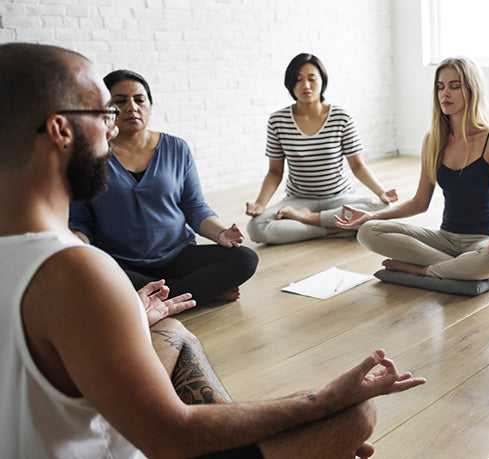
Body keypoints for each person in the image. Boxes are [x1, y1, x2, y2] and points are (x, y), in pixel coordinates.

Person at [0, 42, 425, 458]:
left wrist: (132, 312)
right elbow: (171, 438)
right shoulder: (80, 271)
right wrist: (326, 399)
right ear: (59, 130)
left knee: (176, 331)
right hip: (157, 440)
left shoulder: (35, 258)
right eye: (103, 112)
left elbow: (194, 207)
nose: (114, 125)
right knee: (354, 415)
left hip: (143, 304)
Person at [70, 69, 257, 306]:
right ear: (104, 109)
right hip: (120, 261)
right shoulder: (88, 156)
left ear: (150, 106)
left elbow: (194, 206)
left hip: (176, 254)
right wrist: (78, 247)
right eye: (119, 101)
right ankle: (192, 292)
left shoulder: (177, 148)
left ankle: (152, 299)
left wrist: (221, 233)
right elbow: (79, 220)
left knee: (245, 259)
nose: (131, 107)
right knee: (92, 275)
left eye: (139, 100)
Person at [336, 57, 489, 281]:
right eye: (440, 87)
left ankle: (422, 270)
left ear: (472, 89)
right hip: (445, 240)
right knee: (368, 231)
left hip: (482, 240)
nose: (444, 94)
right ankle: (457, 268)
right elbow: (420, 202)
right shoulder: (433, 140)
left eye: (454, 86)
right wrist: (372, 215)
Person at [246, 53, 397, 245]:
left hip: (340, 197)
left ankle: (308, 220)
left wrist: (381, 191)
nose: (306, 86)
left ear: (322, 81)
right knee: (256, 227)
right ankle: (335, 229)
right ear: (290, 84)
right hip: (298, 200)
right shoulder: (278, 120)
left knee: (383, 207)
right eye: (298, 80)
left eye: (311, 79)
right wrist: (260, 204)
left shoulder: (341, 117)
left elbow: (358, 166)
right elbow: (275, 172)